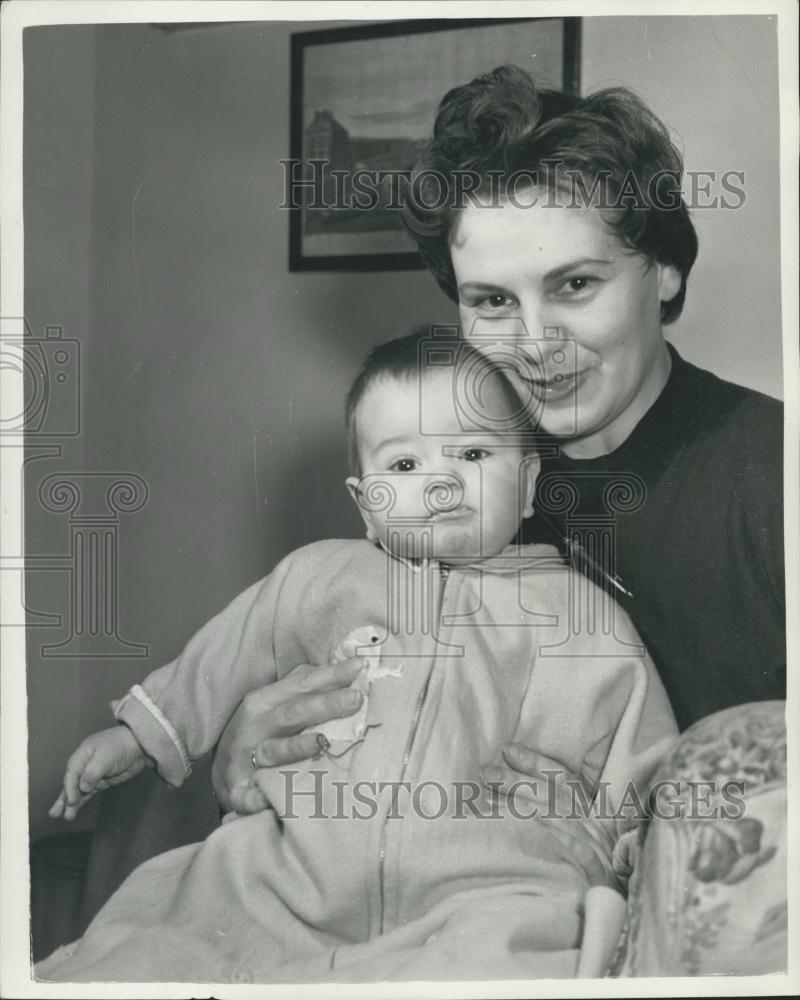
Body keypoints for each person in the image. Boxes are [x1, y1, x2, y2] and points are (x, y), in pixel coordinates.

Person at [207, 67, 787, 977]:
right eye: (491, 302)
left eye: (576, 285)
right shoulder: (450, 487)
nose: (534, 344)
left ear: (666, 271)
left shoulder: (773, 476)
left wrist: (631, 826)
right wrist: (247, 753)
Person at [41, 331, 677, 982]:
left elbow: (645, 760)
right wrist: (141, 733)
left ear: (528, 482)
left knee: (524, 944)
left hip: (486, 884)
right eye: (404, 466)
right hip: (290, 873)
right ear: (364, 503)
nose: (440, 483)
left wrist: (623, 853)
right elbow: (226, 652)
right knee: (158, 942)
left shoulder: (579, 614)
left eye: (474, 453)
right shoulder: (321, 578)